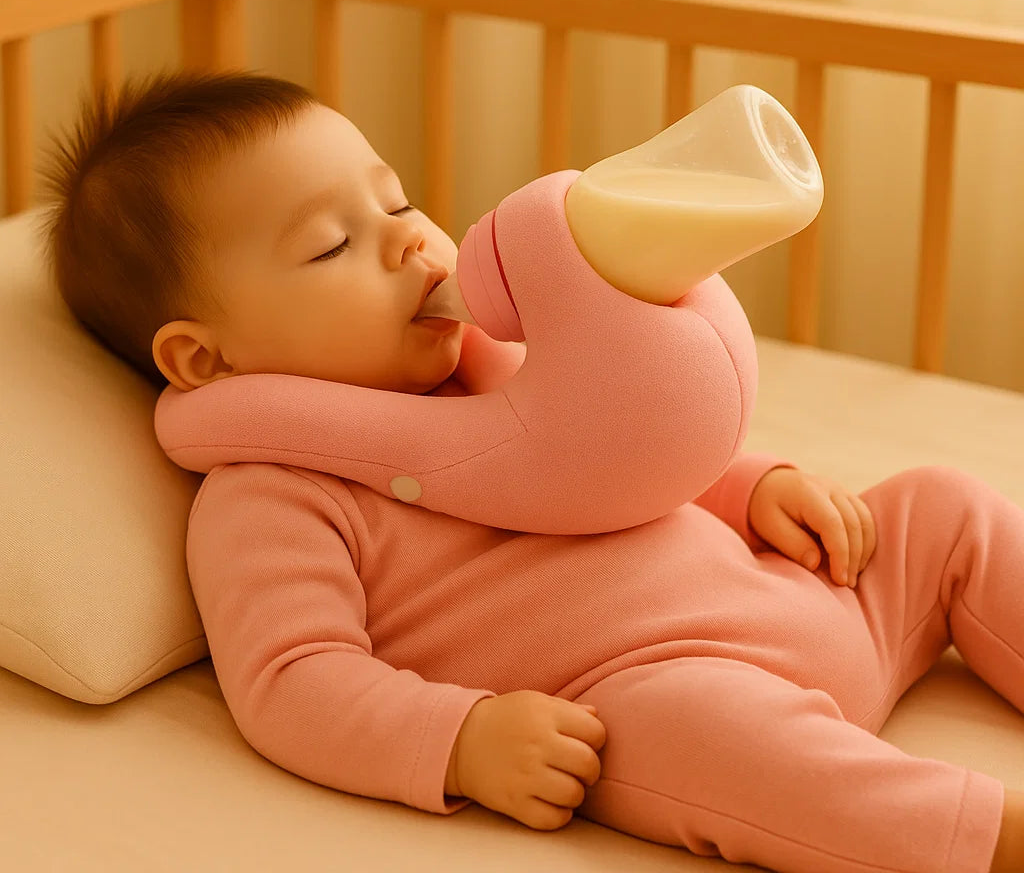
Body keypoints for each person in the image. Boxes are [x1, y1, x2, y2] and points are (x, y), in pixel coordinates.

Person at [38, 70, 1024, 873]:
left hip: (807, 590)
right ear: (205, 360)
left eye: (397, 199)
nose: (411, 239)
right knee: (716, 745)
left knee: (943, 507)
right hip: (655, 679)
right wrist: (459, 737)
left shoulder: (492, 360)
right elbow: (294, 680)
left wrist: (757, 485)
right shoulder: (274, 494)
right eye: (333, 243)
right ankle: (983, 835)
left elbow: (629, 450)